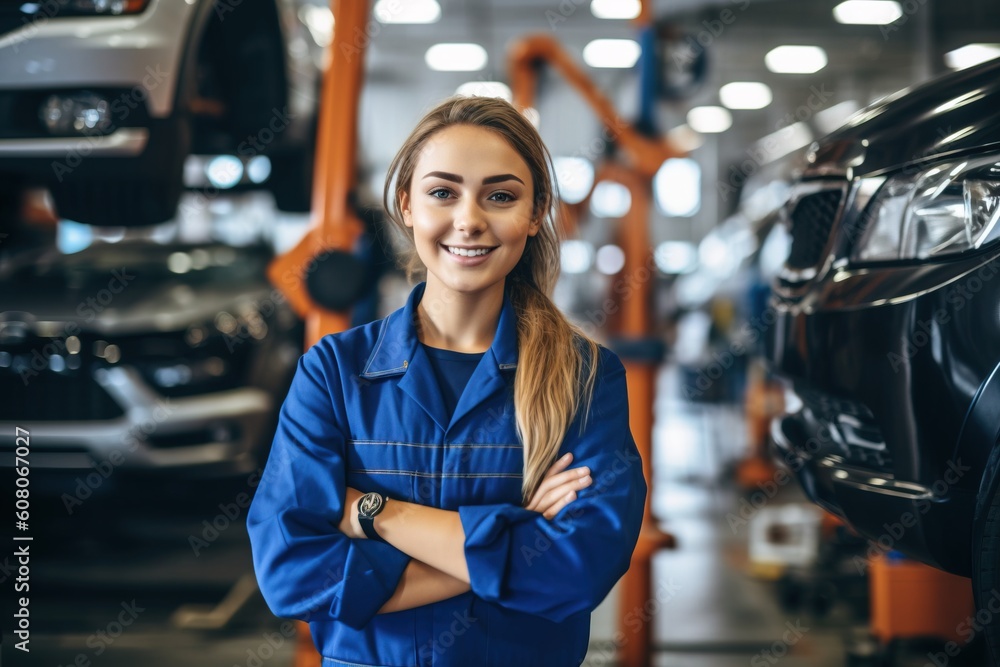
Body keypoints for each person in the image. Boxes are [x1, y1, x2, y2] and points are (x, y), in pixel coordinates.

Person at [247, 95, 647, 667]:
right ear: (407, 204)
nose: (469, 220)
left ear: (535, 214)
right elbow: (292, 576)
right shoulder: (335, 372)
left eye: (501, 196)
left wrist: (376, 513)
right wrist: (520, 529)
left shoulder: (584, 377)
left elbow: (576, 572)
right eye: (443, 192)